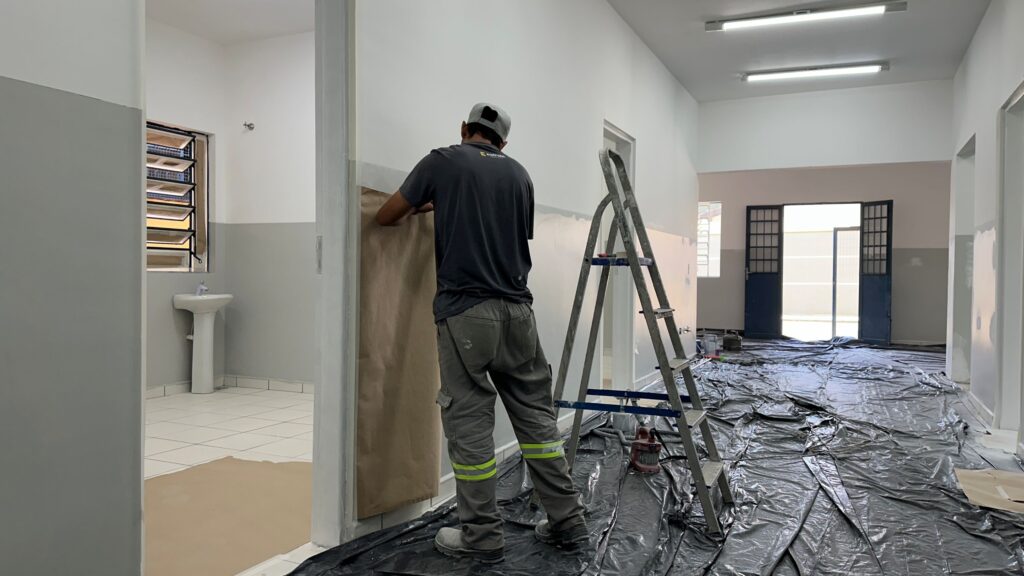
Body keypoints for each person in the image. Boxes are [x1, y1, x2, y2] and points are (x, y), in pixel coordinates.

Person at [375, 103, 587, 563]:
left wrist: (431, 202)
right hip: (519, 315)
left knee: (470, 426)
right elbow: (504, 230)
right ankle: (568, 522)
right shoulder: (520, 175)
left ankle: (482, 537)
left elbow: (386, 215)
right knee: (538, 422)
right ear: (503, 142)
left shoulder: (442, 160)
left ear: (464, 129)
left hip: (465, 314)